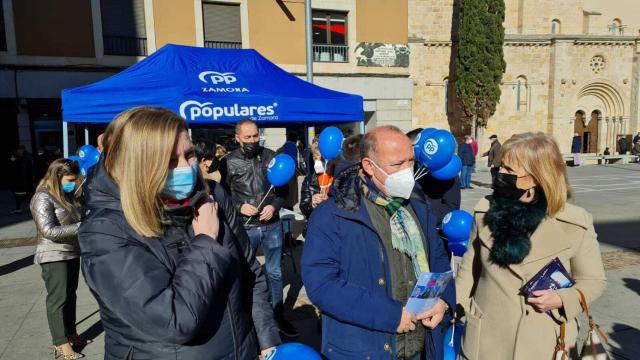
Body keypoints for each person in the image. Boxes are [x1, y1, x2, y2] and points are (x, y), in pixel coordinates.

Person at [79, 107, 279, 359]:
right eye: (171, 160)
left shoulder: (212, 194)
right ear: (139, 164)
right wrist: (205, 240)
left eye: (189, 154)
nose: (186, 167)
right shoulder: (105, 231)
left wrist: (266, 338)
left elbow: (251, 272)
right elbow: (173, 323)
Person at [302, 126, 455, 360]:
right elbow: (322, 285)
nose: (407, 172)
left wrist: (444, 301)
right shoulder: (331, 216)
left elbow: (440, 260)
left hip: (420, 346)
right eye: (397, 165)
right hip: (366, 350)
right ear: (369, 166)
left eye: (411, 162)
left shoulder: (416, 206)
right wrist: (390, 315)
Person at [456, 132, 606, 359]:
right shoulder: (484, 212)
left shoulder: (575, 223)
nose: (499, 173)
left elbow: (593, 280)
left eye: (509, 170)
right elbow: (469, 272)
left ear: (537, 177)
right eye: (500, 166)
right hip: (485, 340)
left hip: (544, 341)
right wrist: (457, 309)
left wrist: (562, 299)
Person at [219, 119, 299, 338]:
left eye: (256, 136)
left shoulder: (270, 157)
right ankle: (247, 317)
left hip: (272, 226)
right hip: (245, 229)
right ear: (237, 138)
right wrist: (238, 206)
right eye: (248, 137)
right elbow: (223, 196)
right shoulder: (227, 162)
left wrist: (274, 206)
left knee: (274, 272)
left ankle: (278, 315)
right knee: (244, 273)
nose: (253, 141)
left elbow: (282, 191)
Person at [30, 158, 86, 359]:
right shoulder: (42, 197)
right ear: (57, 176)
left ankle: (71, 333)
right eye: (70, 179)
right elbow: (49, 230)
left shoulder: (65, 194)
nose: (73, 182)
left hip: (71, 251)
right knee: (58, 299)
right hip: (53, 254)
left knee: (70, 296)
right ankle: (60, 343)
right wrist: (83, 227)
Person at [406, 128, 461, 224]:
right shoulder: (408, 166)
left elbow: (451, 206)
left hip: (431, 226)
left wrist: (424, 218)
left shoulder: (446, 171)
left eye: (409, 147)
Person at [8, 146, 34, 214]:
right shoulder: (25, 157)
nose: (11, 158)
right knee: (20, 196)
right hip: (22, 180)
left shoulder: (22, 159)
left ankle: (33, 206)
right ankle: (18, 208)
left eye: (19, 150)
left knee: (23, 196)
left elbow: (21, 170)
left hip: (21, 181)